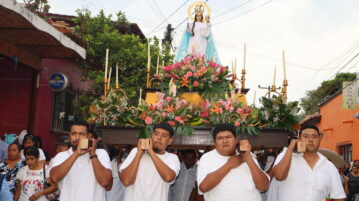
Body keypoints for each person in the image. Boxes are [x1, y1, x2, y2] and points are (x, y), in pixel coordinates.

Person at [269, 125, 346, 201]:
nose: (310, 140)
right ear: (299, 139)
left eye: (315, 136)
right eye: (306, 136)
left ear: (320, 139)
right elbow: (279, 176)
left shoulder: (329, 166)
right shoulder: (285, 157)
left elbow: (339, 197)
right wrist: (291, 146)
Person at [197, 123, 269, 201]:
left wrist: (247, 158)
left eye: (229, 137)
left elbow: (263, 186)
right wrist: (229, 164)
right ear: (215, 142)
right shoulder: (207, 158)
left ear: (236, 140)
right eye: (220, 138)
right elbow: (203, 187)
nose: (225, 141)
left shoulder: (248, 156)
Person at [50, 121, 112, 201]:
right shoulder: (61, 156)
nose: (77, 138)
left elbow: (106, 183)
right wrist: (76, 154)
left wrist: (93, 154)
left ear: (88, 136)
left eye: (82, 134)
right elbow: (54, 178)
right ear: (69, 135)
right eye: (73, 134)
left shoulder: (100, 154)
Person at [120, 122, 180, 201]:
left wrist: (151, 152)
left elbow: (168, 177)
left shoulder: (172, 158)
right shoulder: (136, 152)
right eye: (156, 134)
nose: (159, 138)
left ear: (170, 141)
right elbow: (126, 181)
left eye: (164, 136)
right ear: (151, 136)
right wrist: (139, 154)